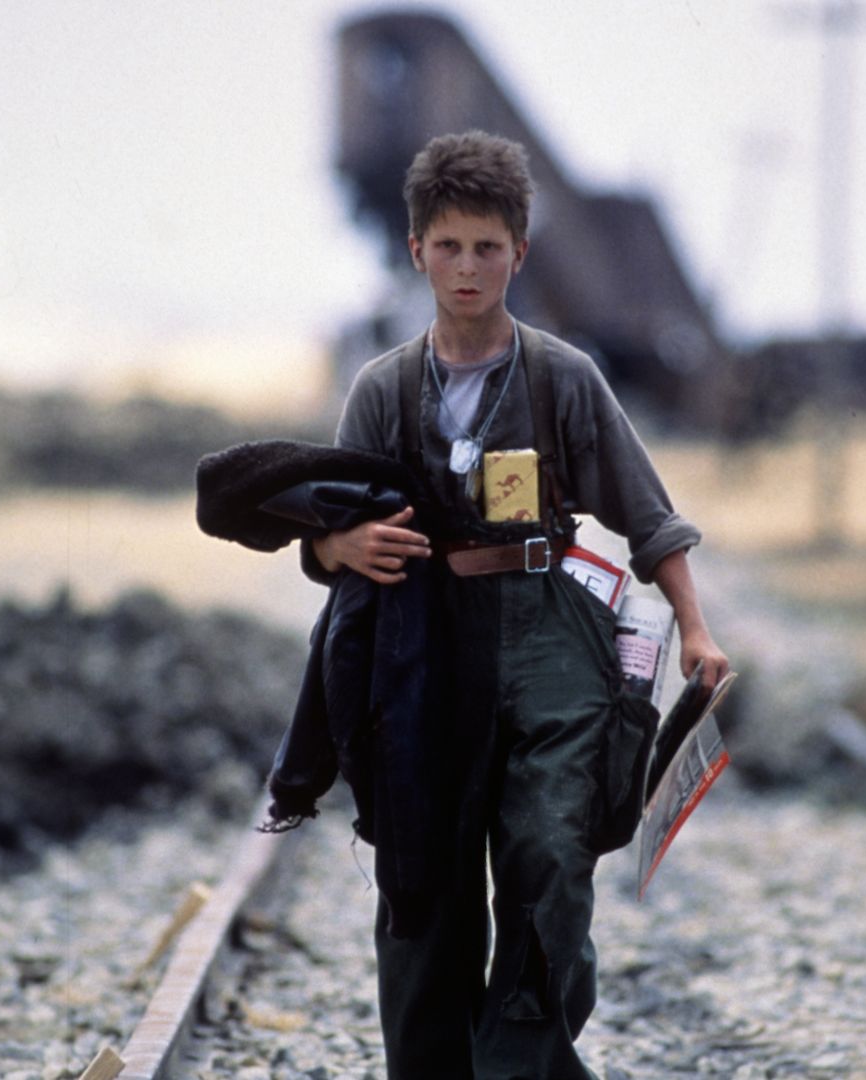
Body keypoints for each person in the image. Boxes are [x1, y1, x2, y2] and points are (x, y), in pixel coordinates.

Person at [308, 130, 729, 1080]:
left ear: (520, 253)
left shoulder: (561, 377)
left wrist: (695, 629)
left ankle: (517, 1067)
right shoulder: (381, 390)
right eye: (448, 246)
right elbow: (329, 528)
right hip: (422, 656)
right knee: (424, 878)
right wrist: (337, 546)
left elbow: (648, 515)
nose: (467, 268)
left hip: (550, 639)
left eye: (487, 248)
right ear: (416, 250)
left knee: (549, 854)